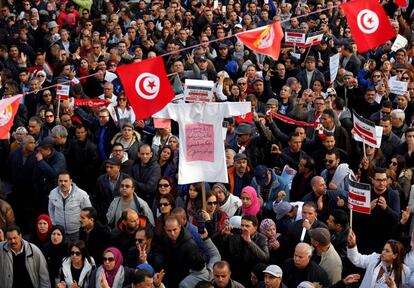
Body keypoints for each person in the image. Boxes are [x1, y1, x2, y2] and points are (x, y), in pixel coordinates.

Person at [215, 214, 269, 284]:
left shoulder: (262, 238)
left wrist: (250, 242)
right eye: (242, 225)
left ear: (255, 228)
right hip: (235, 273)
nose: (243, 228)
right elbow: (214, 244)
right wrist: (222, 234)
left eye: (247, 226)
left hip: (250, 274)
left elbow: (265, 258)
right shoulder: (235, 235)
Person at [161, 215, 203, 287]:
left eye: (174, 230)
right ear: (165, 229)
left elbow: (196, 270)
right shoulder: (165, 240)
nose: (172, 233)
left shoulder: (190, 245)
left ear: (180, 227)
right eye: (169, 231)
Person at [49, 171, 92, 241]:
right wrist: (54, 223)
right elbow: (51, 209)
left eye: (65, 181)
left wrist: (83, 225)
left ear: (71, 181)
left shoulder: (81, 194)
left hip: (76, 231)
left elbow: (89, 212)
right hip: (60, 232)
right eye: (60, 181)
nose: (63, 183)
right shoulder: (53, 193)